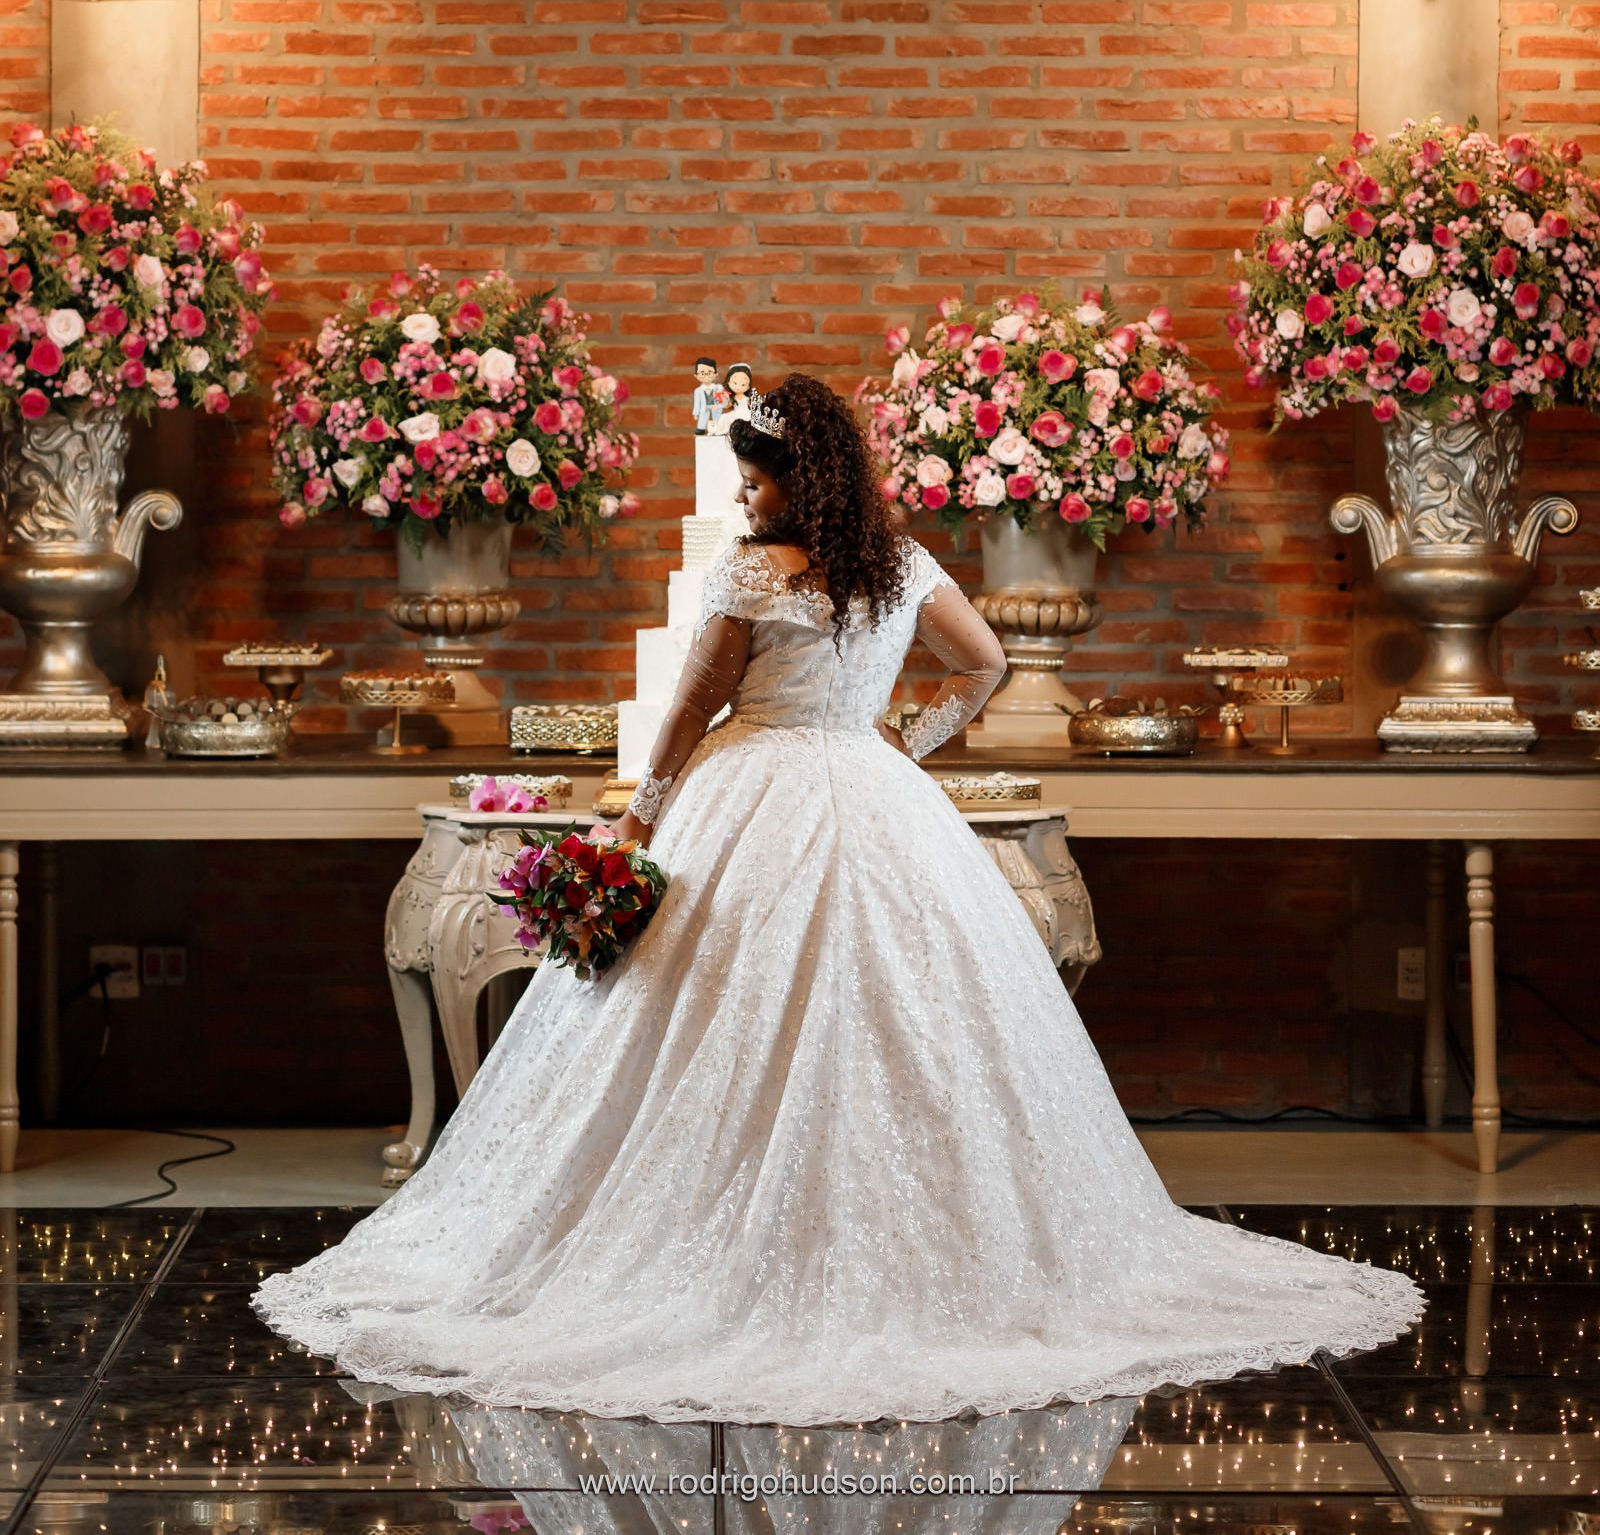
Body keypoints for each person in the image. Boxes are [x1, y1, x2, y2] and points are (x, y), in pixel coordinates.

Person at [253, 373, 1422, 1424]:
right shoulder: (903, 564)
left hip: (748, 785)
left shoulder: (756, 572)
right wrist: (907, 741)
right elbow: (987, 665)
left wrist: (641, 815)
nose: (745, 495)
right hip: (872, 787)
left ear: (791, 474)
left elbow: (694, 704)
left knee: (701, 1014)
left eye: (754, 475)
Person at [689, 355, 726, 432]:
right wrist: (695, 413)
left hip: (716, 409)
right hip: (704, 409)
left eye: (709, 373)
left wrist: (719, 405)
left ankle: (718, 429)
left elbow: (724, 400)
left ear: (715, 374)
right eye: (702, 373)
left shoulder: (718, 388)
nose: (706, 376)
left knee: (717, 421)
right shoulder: (698, 391)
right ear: (696, 375)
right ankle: (701, 429)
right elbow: (697, 403)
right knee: (702, 421)